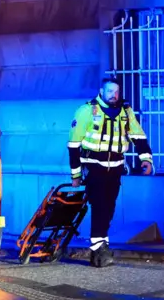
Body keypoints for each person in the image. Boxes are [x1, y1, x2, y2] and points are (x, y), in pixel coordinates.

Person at [67, 77, 153, 268]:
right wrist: (76, 175)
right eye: (110, 91)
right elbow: (73, 145)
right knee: (99, 206)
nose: (114, 95)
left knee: (109, 208)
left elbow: (138, 136)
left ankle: (101, 245)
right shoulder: (87, 111)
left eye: (117, 92)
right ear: (101, 91)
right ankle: (98, 249)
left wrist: (146, 159)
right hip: (94, 167)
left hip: (115, 168)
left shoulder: (125, 111)